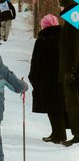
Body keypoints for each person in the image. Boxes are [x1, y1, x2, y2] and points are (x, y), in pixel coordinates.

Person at [28, 14, 66, 144]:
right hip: (62, 77)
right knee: (61, 105)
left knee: (52, 106)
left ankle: (58, 134)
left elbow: (36, 61)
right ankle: (59, 133)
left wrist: (33, 77)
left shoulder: (43, 39)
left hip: (47, 79)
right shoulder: (64, 37)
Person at [58, 0, 79, 146]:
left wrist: (71, 70)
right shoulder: (71, 21)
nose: (59, 8)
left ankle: (77, 134)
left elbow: (74, 48)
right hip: (72, 70)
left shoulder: (73, 23)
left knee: (73, 104)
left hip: (73, 72)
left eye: (60, 5)